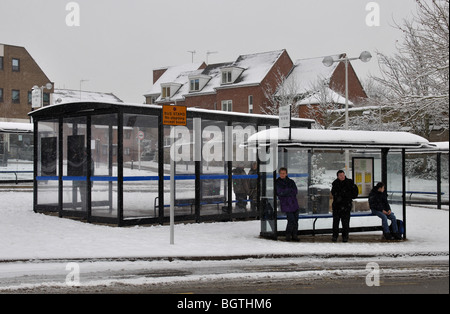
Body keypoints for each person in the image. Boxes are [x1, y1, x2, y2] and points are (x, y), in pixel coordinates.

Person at [331, 170, 358, 242]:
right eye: (340, 175)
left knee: (345, 223)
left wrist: (347, 196)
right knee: (336, 222)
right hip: (337, 206)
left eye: (343, 175)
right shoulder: (335, 183)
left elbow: (355, 193)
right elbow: (333, 193)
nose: (342, 177)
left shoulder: (349, 182)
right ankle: (335, 236)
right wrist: (339, 197)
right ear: (338, 176)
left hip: (346, 206)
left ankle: (345, 236)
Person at [276, 167, 300, 241]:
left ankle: (294, 235)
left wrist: (286, 191)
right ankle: (288, 235)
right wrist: (289, 191)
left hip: (294, 203)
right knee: (291, 220)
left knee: (296, 220)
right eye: (281, 173)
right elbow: (279, 192)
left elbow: (295, 191)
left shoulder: (291, 181)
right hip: (285, 203)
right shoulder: (277, 182)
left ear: (286, 174)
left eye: (284, 173)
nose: (282, 175)